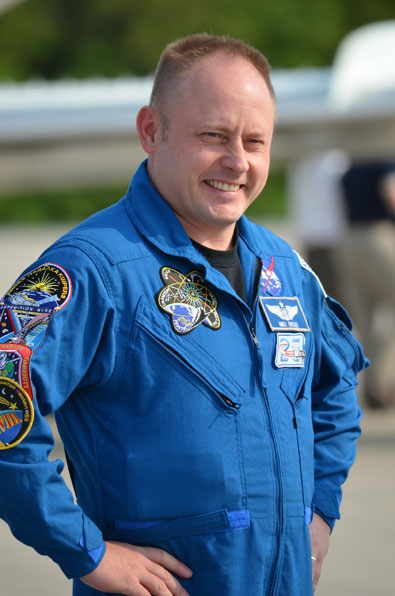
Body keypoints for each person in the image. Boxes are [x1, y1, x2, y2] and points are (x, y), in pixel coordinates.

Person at [0, 34, 368, 596]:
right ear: (152, 130)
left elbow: (335, 386)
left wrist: (319, 513)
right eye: (212, 136)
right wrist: (86, 552)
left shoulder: (284, 269)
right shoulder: (95, 270)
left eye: (254, 141)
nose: (237, 161)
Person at [335, 161, 395, 408]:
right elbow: (390, 192)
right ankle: (383, 384)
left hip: (348, 240)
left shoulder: (349, 168)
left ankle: (373, 385)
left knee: (365, 318)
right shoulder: (383, 160)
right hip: (378, 238)